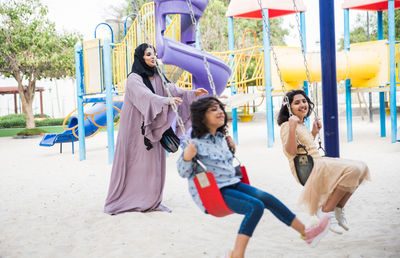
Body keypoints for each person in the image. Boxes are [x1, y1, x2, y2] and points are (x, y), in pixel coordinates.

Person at [177, 97, 330, 258]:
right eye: (213, 109)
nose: (220, 112)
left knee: (267, 198)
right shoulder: (194, 144)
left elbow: (223, 166)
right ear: (202, 117)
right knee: (255, 206)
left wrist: (231, 150)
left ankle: (307, 233)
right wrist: (187, 157)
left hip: (232, 184)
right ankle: (237, 255)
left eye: (220, 108)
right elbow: (183, 172)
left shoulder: (222, 140)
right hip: (213, 193)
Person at [104, 43, 208, 215]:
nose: (153, 57)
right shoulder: (133, 79)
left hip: (153, 126)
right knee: (134, 161)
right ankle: (128, 198)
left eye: (154, 54)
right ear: (141, 57)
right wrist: (165, 101)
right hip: (134, 129)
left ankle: (151, 200)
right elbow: (145, 96)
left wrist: (192, 93)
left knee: (153, 163)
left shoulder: (158, 75)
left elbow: (172, 88)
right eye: (148, 54)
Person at [277, 89, 371, 234]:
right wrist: (291, 127)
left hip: (318, 163)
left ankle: (338, 209)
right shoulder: (287, 126)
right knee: (354, 169)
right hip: (309, 168)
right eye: (297, 103)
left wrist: (313, 132)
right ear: (289, 108)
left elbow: (306, 148)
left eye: (304, 101)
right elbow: (291, 152)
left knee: (362, 168)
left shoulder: (302, 125)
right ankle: (326, 210)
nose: (302, 104)